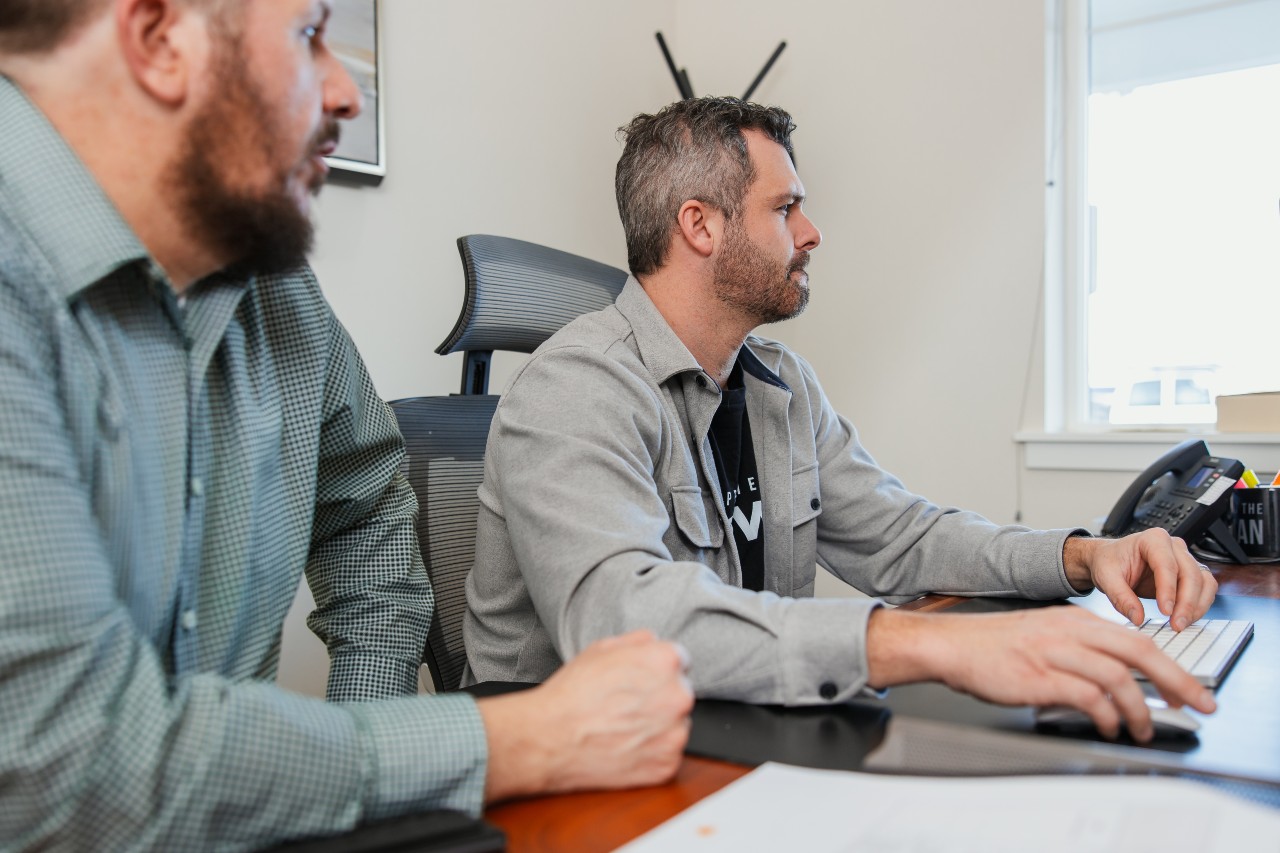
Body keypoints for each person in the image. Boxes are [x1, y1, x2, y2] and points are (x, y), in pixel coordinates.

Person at [0, 1, 692, 849]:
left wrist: (368, 756)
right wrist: (523, 739)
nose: (346, 92)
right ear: (159, 39)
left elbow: (366, 514)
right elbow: (68, 768)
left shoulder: (277, 297)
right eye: (308, 35)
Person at [462, 95, 1219, 742]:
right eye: (784, 208)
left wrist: (1084, 556)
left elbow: (903, 537)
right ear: (700, 226)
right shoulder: (574, 388)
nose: (811, 231)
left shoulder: (781, 386)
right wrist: (929, 644)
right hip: (581, 777)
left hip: (735, 732)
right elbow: (623, 621)